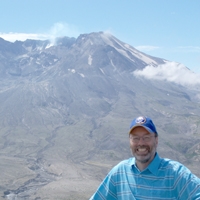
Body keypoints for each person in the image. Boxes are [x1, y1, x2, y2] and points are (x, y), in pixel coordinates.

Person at [89, 116, 200, 199]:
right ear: (130, 141)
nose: (141, 143)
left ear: (156, 140)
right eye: (135, 138)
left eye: (146, 137)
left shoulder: (176, 173)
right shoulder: (120, 172)